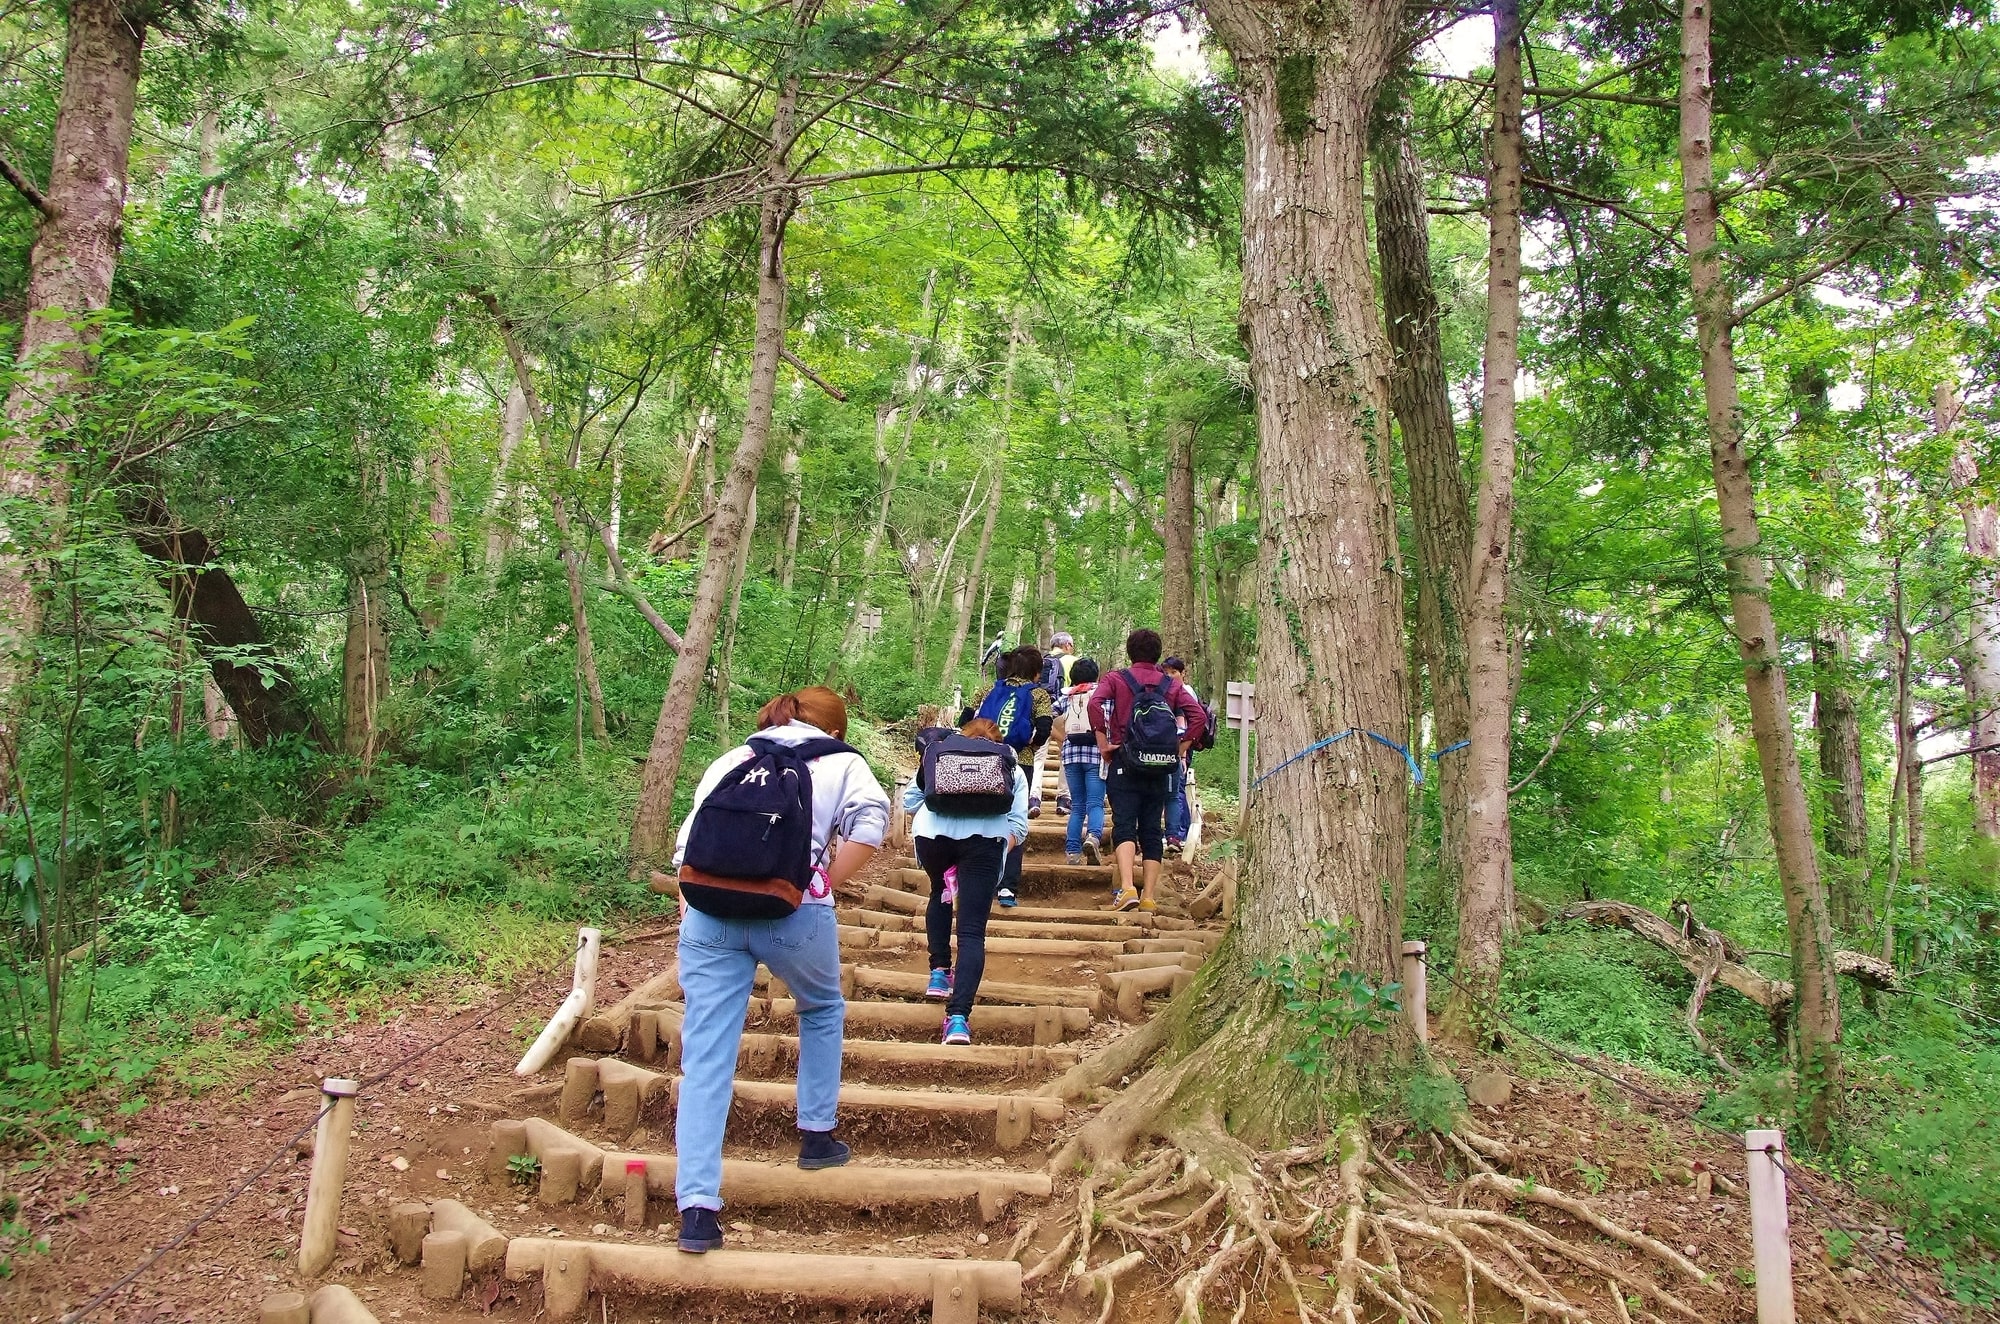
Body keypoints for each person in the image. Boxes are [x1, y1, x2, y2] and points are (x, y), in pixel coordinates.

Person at [669, 687, 889, 1253]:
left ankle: (697, 1210)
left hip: (709, 914)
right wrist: (824, 881)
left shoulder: (733, 759)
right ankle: (816, 1136)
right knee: (820, 1009)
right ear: (835, 730)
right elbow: (871, 824)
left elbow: (686, 847)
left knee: (707, 1058)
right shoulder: (842, 761)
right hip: (795, 912)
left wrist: (695, 908)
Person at [902, 716, 1030, 1046]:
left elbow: (910, 802)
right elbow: (1018, 825)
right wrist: (995, 848)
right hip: (985, 842)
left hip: (933, 839)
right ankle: (957, 1020)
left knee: (939, 891)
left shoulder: (940, 753)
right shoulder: (1010, 763)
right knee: (972, 931)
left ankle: (938, 973)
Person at [1089, 629, 1206, 912]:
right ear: (1157, 654)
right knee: (1153, 829)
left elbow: (1094, 703)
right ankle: (1149, 897)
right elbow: (1199, 716)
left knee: (1125, 825)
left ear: (1130, 652)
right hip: (1161, 768)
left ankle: (1128, 888)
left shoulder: (1116, 679)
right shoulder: (1171, 684)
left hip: (1125, 762)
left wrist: (1104, 743)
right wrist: (1180, 749)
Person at [963, 647, 1053, 906]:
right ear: (1037, 672)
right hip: (1018, 763)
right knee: (1014, 821)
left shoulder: (989, 689)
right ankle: (1007, 888)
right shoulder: (1038, 694)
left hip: (983, 760)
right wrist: (1032, 746)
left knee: (982, 817)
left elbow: (965, 719)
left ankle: (978, 881)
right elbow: (1045, 728)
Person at [1061, 657, 1107, 865]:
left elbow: (1052, 717)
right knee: (1095, 802)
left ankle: (1072, 851)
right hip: (1096, 754)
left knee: (1077, 805)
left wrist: (1062, 737)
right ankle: (1094, 837)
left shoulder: (1066, 695)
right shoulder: (1102, 694)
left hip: (1071, 755)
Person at [1161, 656, 1201, 855]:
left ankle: (1180, 832)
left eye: (1174, 672)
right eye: (1166, 673)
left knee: (1177, 789)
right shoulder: (1169, 691)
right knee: (1174, 788)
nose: (1169, 676)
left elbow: (1189, 721)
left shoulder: (1185, 692)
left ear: (1183, 673)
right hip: (1173, 746)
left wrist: (1182, 752)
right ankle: (1176, 830)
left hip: (1181, 745)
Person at [1041, 633, 1079, 815]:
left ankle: (1033, 798)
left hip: (1041, 711)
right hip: (1063, 713)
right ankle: (1063, 798)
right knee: (1066, 753)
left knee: (1038, 755)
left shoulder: (1042, 661)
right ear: (1067, 645)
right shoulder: (1073, 660)